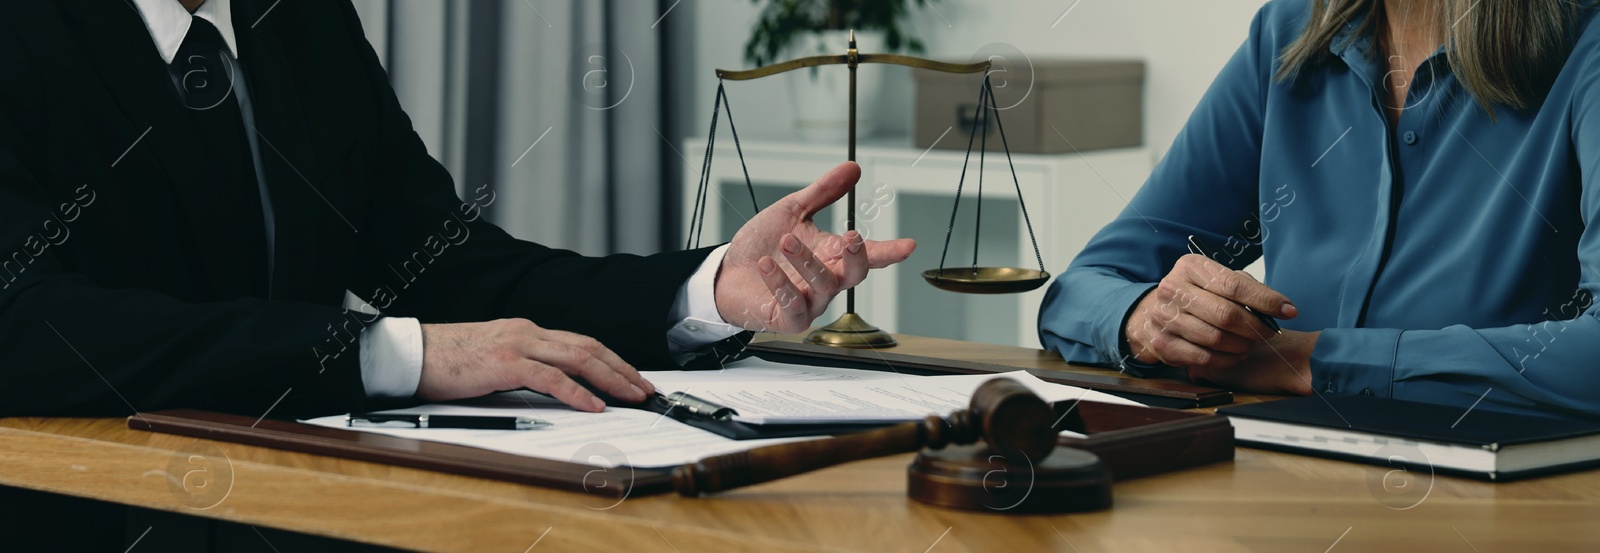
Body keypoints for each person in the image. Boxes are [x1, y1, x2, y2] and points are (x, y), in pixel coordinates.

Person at [0, 0, 915, 419]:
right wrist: (390, 352)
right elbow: (26, 326)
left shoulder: (303, 22)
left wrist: (705, 288)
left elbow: (445, 265)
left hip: (305, 494)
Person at [1039, 0, 1600, 419]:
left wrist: (1312, 360)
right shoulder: (1287, 35)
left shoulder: (1587, 44)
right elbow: (1083, 290)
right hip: (1277, 482)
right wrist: (1152, 321)